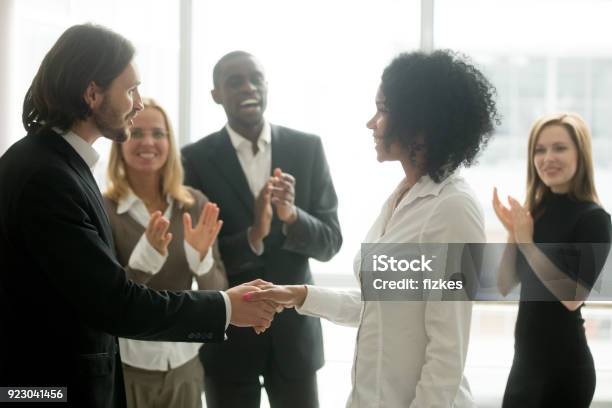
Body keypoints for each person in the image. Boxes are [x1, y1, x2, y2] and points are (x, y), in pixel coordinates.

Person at [0, 24, 276, 408]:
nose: (138, 103)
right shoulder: (48, 177)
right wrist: (226, 307)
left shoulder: (57, 166)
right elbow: (115, 302)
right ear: (92, 94)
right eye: (130, 90)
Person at [244, 50, 499, 407]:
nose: (371, 123)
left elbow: (448, 352)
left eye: (382, 109)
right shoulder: (400, 198)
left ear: (418, 123)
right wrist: (300, 295)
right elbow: (376, 306)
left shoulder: (453, 207)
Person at [181, 51, 342, 408]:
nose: (248, 88)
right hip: (227, 337)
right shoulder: (192, 159)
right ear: (216, 94)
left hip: (295, 337)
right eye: (234, 81)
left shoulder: (307, 148)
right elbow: (199, 252)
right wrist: (254, 233)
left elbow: (331, 242)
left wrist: (291, 216)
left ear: (267, 85)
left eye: (256, 78)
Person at [103, 97, 229, 408]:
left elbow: (218, 291)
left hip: (185, 365)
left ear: (170, 143)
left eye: (158, 133)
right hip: (129, 368)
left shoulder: (194, 203)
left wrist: (201, 260)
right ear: (120, 141)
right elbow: (105, 301)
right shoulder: (104, 209)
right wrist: (143, 262)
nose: (148, 142)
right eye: (136, 132)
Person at [493, 113, 612, 407]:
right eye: (539, 149)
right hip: (524, 368)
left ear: (580, 154)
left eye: (559, 148)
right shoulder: (537, 213)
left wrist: (527, 243)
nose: (548, 158)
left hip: (564, 372)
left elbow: (572, 296)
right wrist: (513, 234)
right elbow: (504, 285)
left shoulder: (594, 219)